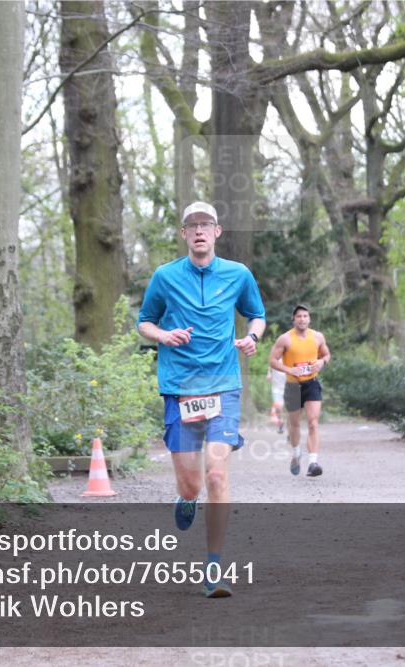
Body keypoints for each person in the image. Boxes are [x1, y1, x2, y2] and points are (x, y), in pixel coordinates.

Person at [138, 201, 265, 598]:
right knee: (193, 485)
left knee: (216, 474)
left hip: (223, 384)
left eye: (205, 224)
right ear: (183, 234)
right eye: (191, 225)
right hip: (179, 387)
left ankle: (214, 567)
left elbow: (256, 315)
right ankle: (186, 498)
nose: (198, 231)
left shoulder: (238, 274)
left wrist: (252, 337)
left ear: (217, 231)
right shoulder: (165, 276)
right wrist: (163, 336)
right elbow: (145, 322)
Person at [268, 305, 330, 477]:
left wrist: (321, 363)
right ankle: (296, 453)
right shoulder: (285, 339)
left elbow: (326, 355)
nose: (302, 319)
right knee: (294, 424)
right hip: (293, 387)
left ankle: (313, 462)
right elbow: (272, 361)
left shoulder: (317, 337)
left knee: (313, 422)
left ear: (309, 319)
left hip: (312, 383)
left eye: (305, 316)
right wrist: (288, 370)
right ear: (293, 319)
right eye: (299, 316)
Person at [267, 367, 286, 434]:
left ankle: (289, 428)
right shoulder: (274, 357)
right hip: (276, 388)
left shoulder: (287, 357)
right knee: (278, 407)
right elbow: (270, 364)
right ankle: (280, 425)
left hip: (286, 386)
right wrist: (269, 373)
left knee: (282, 407)